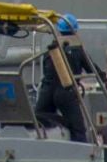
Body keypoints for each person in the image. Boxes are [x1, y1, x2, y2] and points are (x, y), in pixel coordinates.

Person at [35, 13, 94, 142]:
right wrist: (103, 77)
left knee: (38, 124)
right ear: (74, 31)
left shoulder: (50, 49)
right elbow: (91, 68)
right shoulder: (77, 49)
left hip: (47, 92)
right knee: (78, 129)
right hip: (65, 92)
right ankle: (81, 156)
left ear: (59, 30)